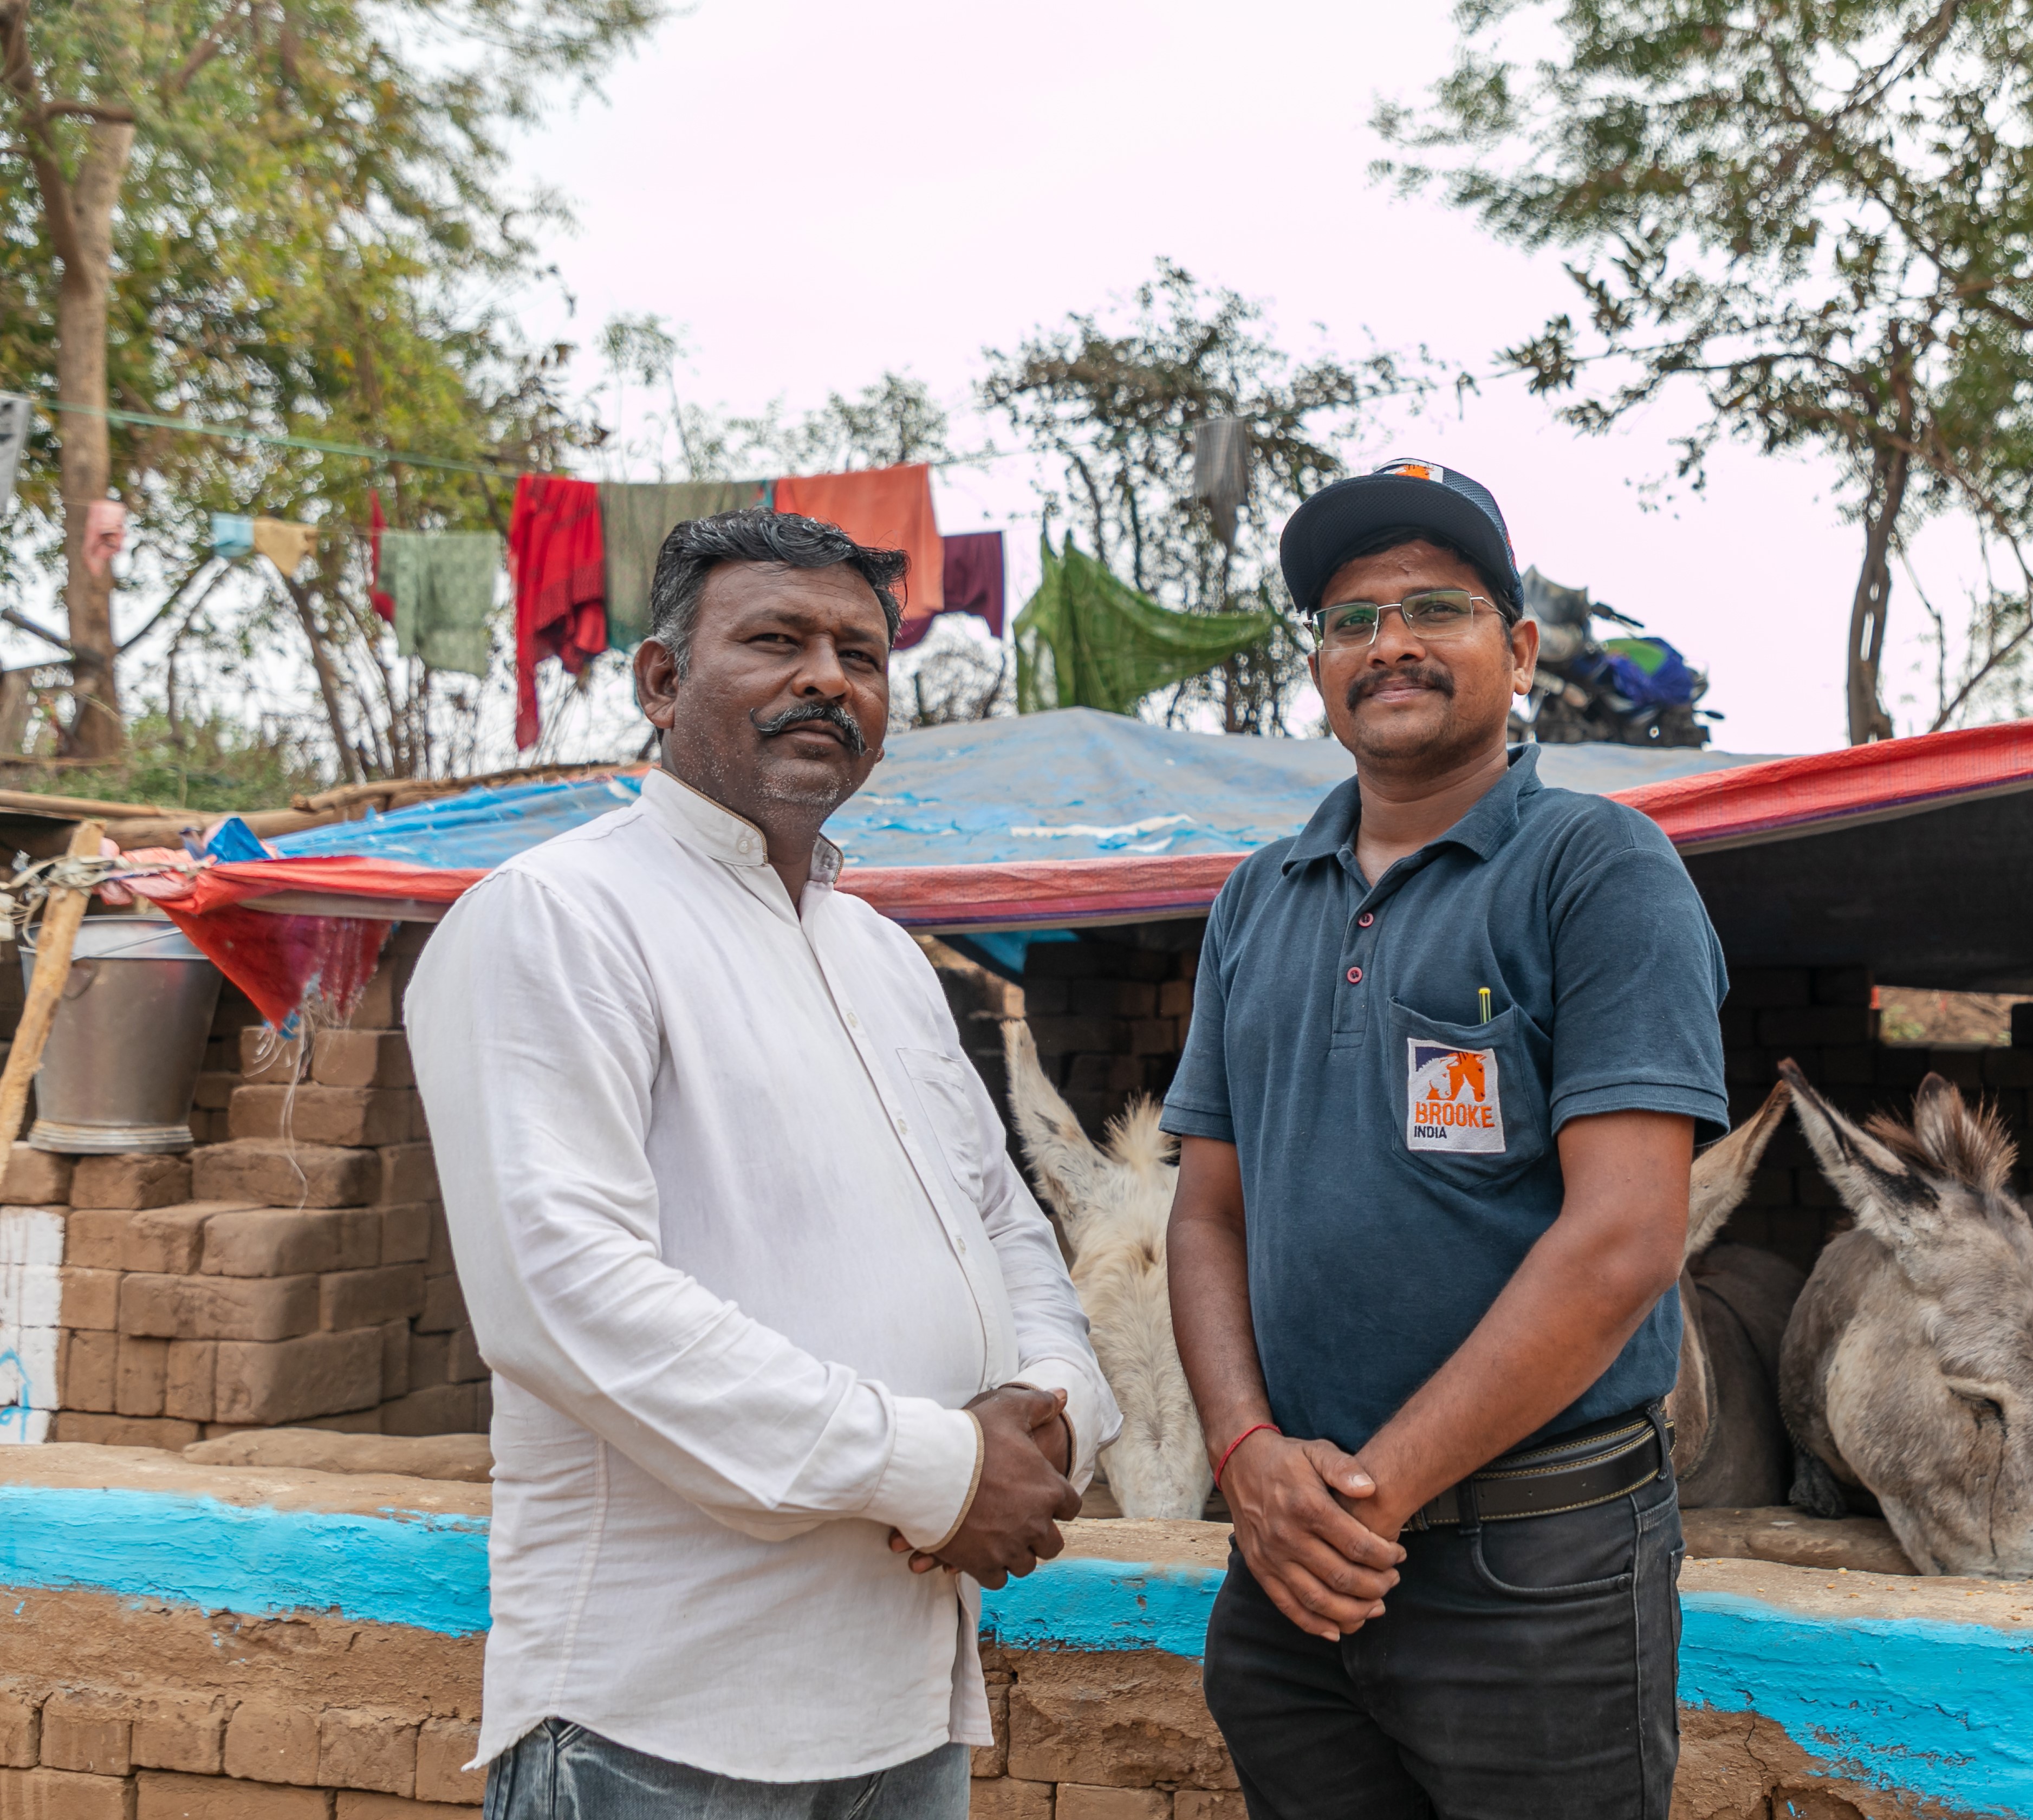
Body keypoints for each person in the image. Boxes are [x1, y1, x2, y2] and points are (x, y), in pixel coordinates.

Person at [407, 510, 1119, 1819]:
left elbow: (1006, 1226)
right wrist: (941, 1470)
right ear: (663, 682)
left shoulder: (886, 956)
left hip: (903, 1706)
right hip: (665, 1718)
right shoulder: (559, 919)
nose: (827, 681)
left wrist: (1052, 1402)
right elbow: (564, 1296)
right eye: (777, 641)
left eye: (860, 654)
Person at [1163, 459, 1730, 1819]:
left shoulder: (1596, 870)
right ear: (1319, 667)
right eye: (1352, 621)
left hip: (1533, 1564)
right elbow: (1206, 1216)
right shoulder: (1258, 898)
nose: (1390, 644)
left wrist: (1364, 1500)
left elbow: (1624, 1239)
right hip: (1291, 1568)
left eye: (1436, 608)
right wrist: (1245, 1461)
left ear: (1519, 651)